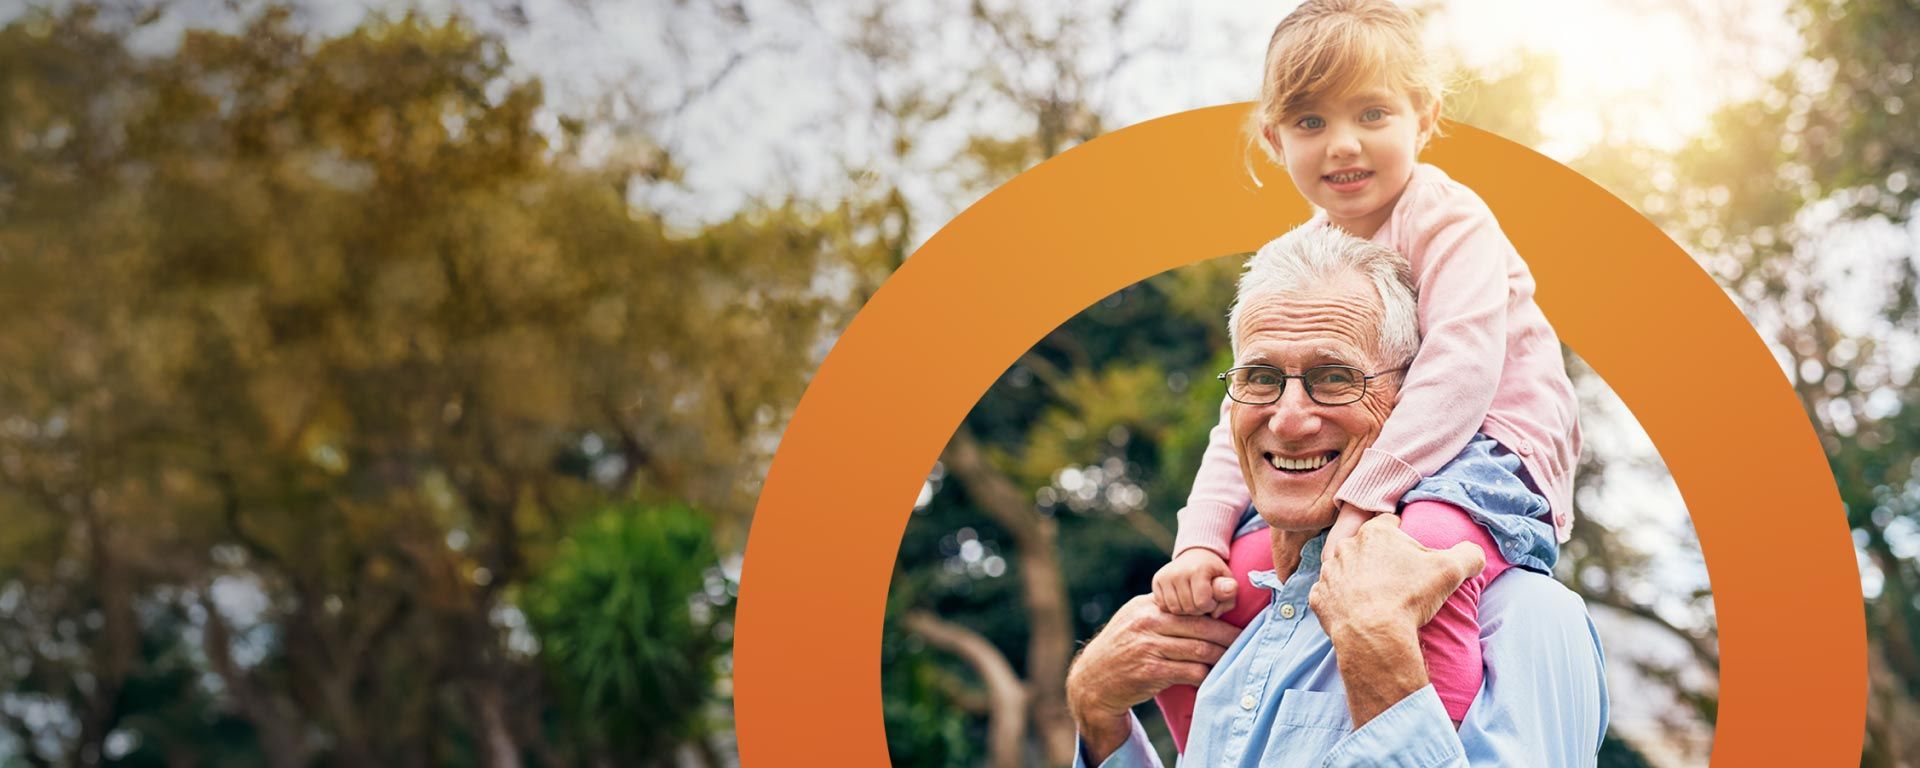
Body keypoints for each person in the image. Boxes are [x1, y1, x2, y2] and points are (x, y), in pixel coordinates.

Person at [1150, 0, 1582, 743]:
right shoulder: (1299, 259)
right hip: (1374, 456)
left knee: (1412, 571)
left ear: (1425, 117)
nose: (1343, 145)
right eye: (1312, 123)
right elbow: (1244, 421)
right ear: (1273, 137)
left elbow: (1460, 370)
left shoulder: (1449, 218)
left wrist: (1362, 503)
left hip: (1486, 446)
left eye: (1373, 113)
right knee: (1221, 592)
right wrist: (1199, 540)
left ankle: (1417, 740)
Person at [1070, 224, 1607, 766]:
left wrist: (1382, 663)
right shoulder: (1233, 619)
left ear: (1413, 400)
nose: (1289, 420)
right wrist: (1097, 714)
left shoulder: (1527, 618)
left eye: (1334, 377)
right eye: (1260, 377)